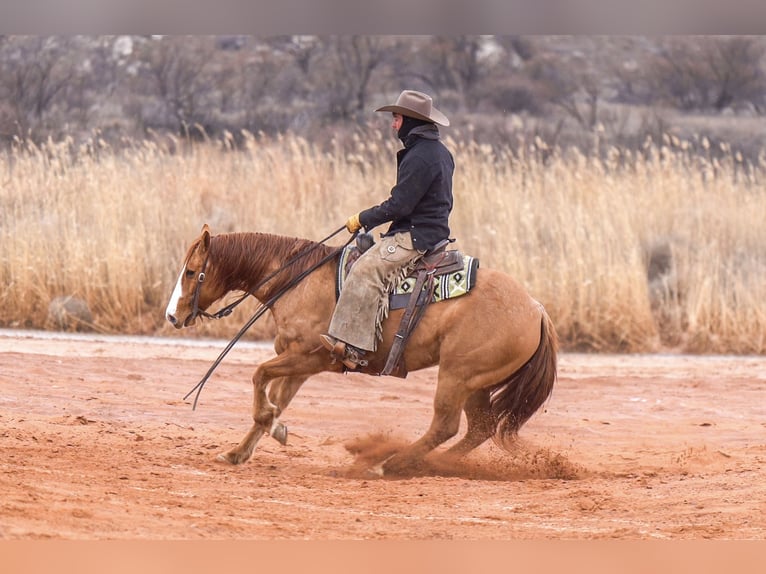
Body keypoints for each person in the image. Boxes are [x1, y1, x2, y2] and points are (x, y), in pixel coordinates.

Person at [320, 89, 455, 369]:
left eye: (396, 118)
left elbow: (400, 206)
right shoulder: (439, 152)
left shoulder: (421, 156)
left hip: (415, 236)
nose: (393, 124)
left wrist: (363, 218)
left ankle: (354, 349)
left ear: (410, 121)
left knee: (365, 270)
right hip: (429, 231)